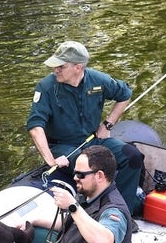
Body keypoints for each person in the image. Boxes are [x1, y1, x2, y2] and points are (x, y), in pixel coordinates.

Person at [26, 41, 144, 215]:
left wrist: (108, 124)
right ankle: (91, 212)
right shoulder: (46, 87)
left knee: (133, 157)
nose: (55, 69)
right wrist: (51, 160)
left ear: (78, 67)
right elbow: (35, 126)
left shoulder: (98, 80)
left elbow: (125, 94)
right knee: (89, 167)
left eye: (61, 66)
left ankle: (123, 212)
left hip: (93, 140)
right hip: (63, 146)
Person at [23, 145, 132, 243]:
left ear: (99, 176)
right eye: (74, 173)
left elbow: (103, 242)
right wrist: (33, 220)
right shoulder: (89, 195)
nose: (75, 178)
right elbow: (69, 221)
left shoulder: (114, 210)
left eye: (80, 174)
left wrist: (73, 206)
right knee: (31, 235)